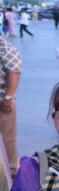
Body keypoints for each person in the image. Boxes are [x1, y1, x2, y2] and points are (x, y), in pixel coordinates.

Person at [0, 37, 21, 175]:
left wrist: (8, 97)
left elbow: (14, 71)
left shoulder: (4, 46)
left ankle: (12, 172)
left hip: (2, 102)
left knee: (6, 139)